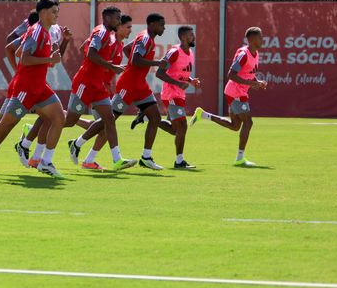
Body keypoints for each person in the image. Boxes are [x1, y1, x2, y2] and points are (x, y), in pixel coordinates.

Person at [0, 0, 65, 178]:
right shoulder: (37, 31)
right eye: (54, 12)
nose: (57, 15)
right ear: (43, 13)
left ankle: (46, 162)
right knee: (5, 124)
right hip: (26, 88)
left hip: (40, 87)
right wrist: (49, 60)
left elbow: (19, 52)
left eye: (57, 12)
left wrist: (46, 62)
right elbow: (24, 58)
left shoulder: (44, 32)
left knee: (59, 118)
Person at [74, 13, 178, 171]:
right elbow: (135, 60)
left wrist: (134, 66)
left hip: (140, 85)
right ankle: (77, 143)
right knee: (108, 120)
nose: (163, 28)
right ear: (154, 24)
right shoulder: (144, 38)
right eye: (162, 25)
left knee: (155, 117)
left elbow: (129, 50)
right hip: (128, 86)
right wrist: (156, 62)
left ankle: (146, 157)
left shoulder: (145, 38)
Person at [62, 7, 138, 171]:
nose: (129, 29)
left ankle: (116, 159)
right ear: (111, 20)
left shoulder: (114, 40)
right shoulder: (103, 33)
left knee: (108, 120)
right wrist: (109, 66)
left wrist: (108, 71)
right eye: (126, 25)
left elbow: (88, 50)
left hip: (99, 87)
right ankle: (33, 133)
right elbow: (88, 51)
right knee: (70, 121)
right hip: (86, 83)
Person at [192, 26, 267, 166]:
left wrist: (257, 82)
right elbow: (231, 74)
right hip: (236, 92)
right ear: (251, 39)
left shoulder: (255, 54)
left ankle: (204, 115)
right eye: (260, 37)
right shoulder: (244, 54)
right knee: (248, 122)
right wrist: (251, 84)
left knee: (235, 126)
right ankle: (240, 158)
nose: (262, 39)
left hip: (238, 92)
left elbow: (248, 74)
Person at [158, 26, 203, 170]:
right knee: (183, 125)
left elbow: (180, 73)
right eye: (191, 35)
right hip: (170, 94)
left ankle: (148, 117)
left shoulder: (190, 52)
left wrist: (190, 80)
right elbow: (160, 73)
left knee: (174, 130)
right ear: (183, 37)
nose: (193, 37)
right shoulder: (174, 52)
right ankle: (179, 161)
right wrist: (178, 83)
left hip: (179, 94)